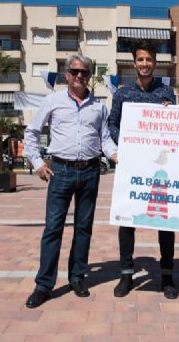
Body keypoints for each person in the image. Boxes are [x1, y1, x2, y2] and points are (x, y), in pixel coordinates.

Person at [24, 55, 118, 308]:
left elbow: (105, 139)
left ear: (89, 76)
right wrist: (37, 162)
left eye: (84, 72)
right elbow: (32, 131)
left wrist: (115, 154)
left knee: (83, 228)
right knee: (53, 228)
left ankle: (77, 277)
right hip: (60, 171)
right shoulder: (52, 101)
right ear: (66, 74)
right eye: (74, 71)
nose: (79, 75)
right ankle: (44, 284)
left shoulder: (99, 107)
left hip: (90, 172)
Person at [107, 41, 179, 299]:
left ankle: (167, 277)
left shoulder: (167, 93)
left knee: (164, 220)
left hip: (161, 168)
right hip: (132, 165)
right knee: (127, 220)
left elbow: (177, 125)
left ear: (155, 63)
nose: (145, 64)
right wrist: (125, 142)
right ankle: (126, 274)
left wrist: (173, 113)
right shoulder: (122, 94)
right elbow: (111, 124)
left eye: (149, 59)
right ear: (134, 63)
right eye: (140, 59)